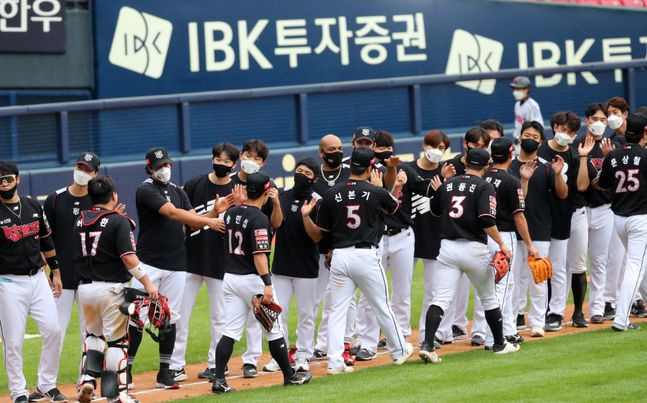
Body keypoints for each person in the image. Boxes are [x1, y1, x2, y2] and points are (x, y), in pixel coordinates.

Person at [128, 147, 228, 389]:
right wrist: (210, 220)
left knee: (170, 318)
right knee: (136, 318)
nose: (165, 169)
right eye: (159, 165)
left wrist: (215, 211)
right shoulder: (146, 189)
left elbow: (190, 222)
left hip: (176, 264)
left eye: (167, 164)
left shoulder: (178, 191)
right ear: (150, 167)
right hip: (148, 263)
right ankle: (126, 369)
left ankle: (165, 372)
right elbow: (172, 214)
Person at [307, 147, 414, 374]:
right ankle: (399, 350)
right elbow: (394, 208)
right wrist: (390, 187)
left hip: (340, 257)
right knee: (382, 305)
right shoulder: (375, 191)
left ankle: (335, 362)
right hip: (366, 255)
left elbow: (322, 231)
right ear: (369, 168)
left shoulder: (332, 193)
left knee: (337, 311)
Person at [212, 172, 312, 394]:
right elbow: (259, 255)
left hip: (230, 279)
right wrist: (267, 284)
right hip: (252, 280)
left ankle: (219, 380)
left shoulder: (231, 213)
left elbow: (221, 232)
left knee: (229, 331)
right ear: (266, 192)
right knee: (274, 330)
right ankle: (290, 376)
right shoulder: (259, 219)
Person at [419, 148, 520, 363]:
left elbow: (435, 211)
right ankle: (500, 343)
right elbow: (486, 219)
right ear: (486, 166)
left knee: (440, 299)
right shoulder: (485, 186)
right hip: (474, 248)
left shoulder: (449, 184)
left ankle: (428, 344)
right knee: (489, 296)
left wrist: (441, 190)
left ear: (466, 163)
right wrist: (502, 243)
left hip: (447, 248)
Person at [75, 176, 159, 403]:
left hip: (85, 290)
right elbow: (128, 258)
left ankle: (87, 380)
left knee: (93, 336)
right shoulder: (119, 221)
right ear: (114, 196)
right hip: (111, 289)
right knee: (117, 342)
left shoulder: (80, 220)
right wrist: (149, 284)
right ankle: (116, 395)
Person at [169, 143, 240, 382]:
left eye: (226, 161)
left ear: (234, 165)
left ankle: (216, 364)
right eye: (218, 159)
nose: (221, 164)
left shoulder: (236, 190)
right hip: (190, 259)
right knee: (179, 314)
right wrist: (210, 217)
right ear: (212, 160)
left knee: (220, 316)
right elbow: (183, 221)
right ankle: (175, 365)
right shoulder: (193, 184)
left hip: (220, 261)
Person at [0, 161, 66, 403]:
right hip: (8, 282)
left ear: (17, 179)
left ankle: (47, 384)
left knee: (53, 330)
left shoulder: (32, 206)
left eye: (7, 179)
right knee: (13, 341)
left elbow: (46, 241)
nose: (4, 184)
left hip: (38, 279)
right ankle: (18, 391)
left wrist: (55, 272)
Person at [471, 138, 539, 349]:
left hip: (482, 236)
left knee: (503, 286)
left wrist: (524, 181)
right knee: (500, 288)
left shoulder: (482, 177)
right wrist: (530, 244)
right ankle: (494, 339)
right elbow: (518, 215)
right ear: (511, 155)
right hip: (503, 238)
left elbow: (516, 202)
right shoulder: (510, 181)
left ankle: (508, 330)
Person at [262, 158, 321, 373]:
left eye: (307, 173)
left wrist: (306, 217)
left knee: (307, 314)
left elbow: (317, 237)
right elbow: (275, 225)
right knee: (279, 313)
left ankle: (304, 355)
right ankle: (279, 356)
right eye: (299, 171)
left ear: (314, 178)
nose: (301, 175)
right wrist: (276, 203)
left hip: (307, 267)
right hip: (281, 267)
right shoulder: (283, 196)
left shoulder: (317, 201)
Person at [231, 139, 283, 378]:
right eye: (248, 155)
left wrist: (275, 201)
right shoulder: (230, 182)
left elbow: (275, 224)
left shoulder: (267, 184)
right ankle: (214, 365)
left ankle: (250, 360)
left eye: (257, 158)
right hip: (234, 258)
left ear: (263, 162)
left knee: (257, 316)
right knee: (226, 316)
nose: (250, 160)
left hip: (257, 257)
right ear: (241, 155)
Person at [509, 121, 567, 337]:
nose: (530, 138)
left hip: (541, 228)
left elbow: (562, 194)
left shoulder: (546, 166)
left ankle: (537, 322)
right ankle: (513, 321)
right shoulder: (510, 166)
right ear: (520, 137)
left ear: (541, 142)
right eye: (526, 134)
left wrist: (559, 174)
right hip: (513, 231)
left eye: (534, 136)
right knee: (515, 279)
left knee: (538, 277)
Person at [537, 112, 593, 331]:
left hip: (573, 212)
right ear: (554, 127)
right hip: (545, 214)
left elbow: (581, 186)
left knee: (576, 264)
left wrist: (583, 157)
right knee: (552, 266)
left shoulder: (574, 153)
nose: (566, 135)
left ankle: (575, 311)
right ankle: (551, 312)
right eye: (563, 130)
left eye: (571, 132)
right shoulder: (541, 151)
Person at [594, 113, 647, 331]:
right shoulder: (645, 155)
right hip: (640, 219)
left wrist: (609, 162)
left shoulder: (613, 156)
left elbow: (600, 184)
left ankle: (622, 315)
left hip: (619, 220)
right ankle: (621, 318)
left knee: (642, 265)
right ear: (643, 133)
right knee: (635, 267)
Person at [44, 152, 100, 357]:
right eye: (80, 167)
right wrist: (48, 271)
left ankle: (86, 380)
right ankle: (48, 384)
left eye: (87, 169)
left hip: (90, 277)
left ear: (95, 174)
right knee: (55, 331)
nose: (82, 172)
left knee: (90, 333)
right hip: (62, 276)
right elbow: (44, 239)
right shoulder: (55, 199)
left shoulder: (97, 201)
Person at [402, 131, 454, 347]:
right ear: (425, 145)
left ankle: (429, 335)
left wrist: (444, 180)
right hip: (408, 235)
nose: (438, 151)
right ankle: (399, 334)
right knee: (402, 291)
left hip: (435, 236)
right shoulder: (409, 169)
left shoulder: (448, 172)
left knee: (434, 290)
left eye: (442, 148)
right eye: (435, 146)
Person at [441, 127, 488, 344]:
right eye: (476, 145)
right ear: (466, 145)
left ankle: (479, 330)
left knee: (482, 288)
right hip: (454, 235)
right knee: (452, 288)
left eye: (482, 146)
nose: (479, 149)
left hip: (478, 234)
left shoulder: (488, 167)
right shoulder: (452, 166)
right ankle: (455, 326)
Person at [312, 134, 356, 366]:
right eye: (331, 149)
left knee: (346, 299)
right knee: (318, 298)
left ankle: (346, 341)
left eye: (340, 148)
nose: (337, 152)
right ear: (322, 153)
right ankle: (319, 344)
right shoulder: (313, 176)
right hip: (318, 248)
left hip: (344, 246)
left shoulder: (349, 173)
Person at [568, 103, 614, 325]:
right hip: (581, 209)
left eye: (603, 120)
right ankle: (576, 309)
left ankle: (597, 308)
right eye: (595, 119)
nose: (599, 124)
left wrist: (610, 158)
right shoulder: (577, 145)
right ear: (587, 121)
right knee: (577, 263)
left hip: (605, 210)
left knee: (600, 262)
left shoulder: (610, 146)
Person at [603, 96, 630, 319]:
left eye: (615, 112)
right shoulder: (610, 142)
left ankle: (636, 300)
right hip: (620, 207)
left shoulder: (638, 138)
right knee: (618, 257)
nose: (612, 116)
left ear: (625, 114)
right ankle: (611, 301)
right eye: (609, 112)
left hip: (639, 205)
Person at [510, 76, 544, 140]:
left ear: (526, 89)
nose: (515, 91)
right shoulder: (517, 104)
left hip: (527, 141)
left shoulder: (532, 105)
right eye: (514, 89)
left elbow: (537, 127)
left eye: (518, 89)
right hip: (517, 139)